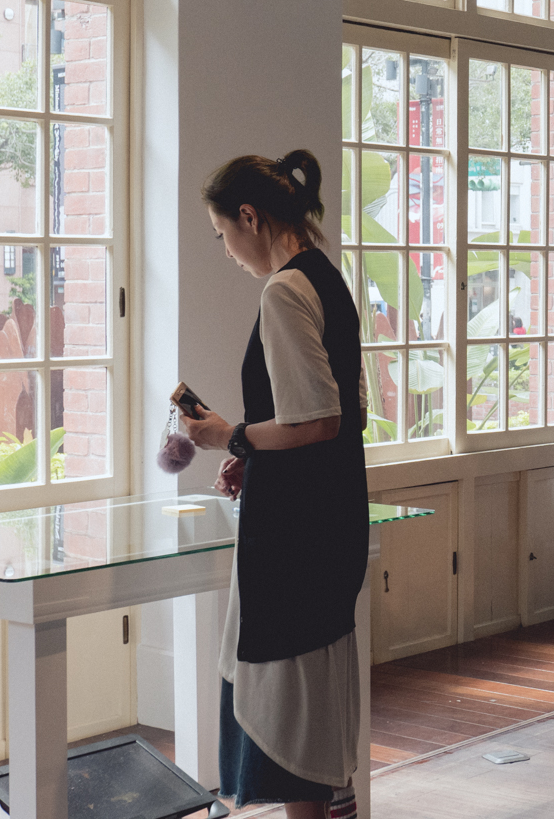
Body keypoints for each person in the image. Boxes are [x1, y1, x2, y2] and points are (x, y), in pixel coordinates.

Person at [181, 149, 367, 819]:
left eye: (222, 233)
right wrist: (256, 451)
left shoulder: (284, 291)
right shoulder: (328, 278)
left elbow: (318, 421)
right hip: (333, 514)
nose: (227, 250)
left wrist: (230, 436)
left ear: (250, 217)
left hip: (295, 532)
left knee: (288, 712)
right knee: (312, 701)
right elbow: (348, 415)